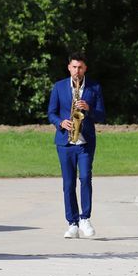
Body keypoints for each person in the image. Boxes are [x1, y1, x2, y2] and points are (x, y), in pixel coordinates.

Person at [48, 52, 106, 239]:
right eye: (74, 67)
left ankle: (85, 218)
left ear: (85, 69)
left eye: (80, 67)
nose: (77, 70)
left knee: (86, 178)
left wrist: (89, 109)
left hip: (85, 142)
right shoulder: (58, 87)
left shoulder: (94, 87)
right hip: (65, 141)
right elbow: (51, 113)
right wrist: (60, 123)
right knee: (68, 183)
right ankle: (72, 223)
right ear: (69, 68)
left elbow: (101, 115)